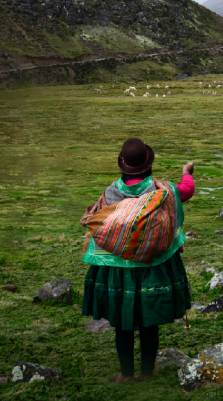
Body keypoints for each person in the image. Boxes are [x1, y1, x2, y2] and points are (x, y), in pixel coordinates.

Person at [80, 138, 195, 383]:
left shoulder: (109, 194)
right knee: (148, 323)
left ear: (122, 165)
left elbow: (96, 217)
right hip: (152, 266)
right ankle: (146, 373)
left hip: (118, 268)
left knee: (122, 322)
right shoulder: (164, 190)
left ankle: (126, 375)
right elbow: (187, 190)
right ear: (148, 164)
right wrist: (186, 173)